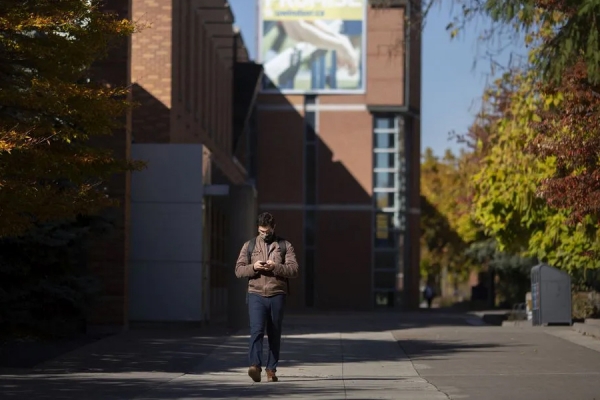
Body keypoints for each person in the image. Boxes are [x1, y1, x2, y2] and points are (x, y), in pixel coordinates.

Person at [235, 212, 299, 383]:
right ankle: (255, 366)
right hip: (255, 293)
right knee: (256, 331)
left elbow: (294, 269)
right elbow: (239, 270)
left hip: (277, 293)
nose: (264, 235)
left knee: (274, 332)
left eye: (267, 231)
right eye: (262, 231)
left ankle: (271, 370)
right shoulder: (249, 246)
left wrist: (276, 266)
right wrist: (254, 267)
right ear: (258, 228)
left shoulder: (285, 245)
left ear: (274, 228)